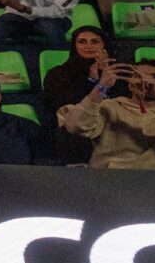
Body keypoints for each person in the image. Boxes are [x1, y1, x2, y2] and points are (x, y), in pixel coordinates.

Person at [57, 59, 155, 170]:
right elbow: (75, 126)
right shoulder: (109, 106)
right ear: (130, 84)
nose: (146, 81)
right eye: (138, 76)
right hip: (111, 181)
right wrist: (101, 86)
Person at [41, 26, 112, 165]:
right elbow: (60, 104)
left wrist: (106, 76)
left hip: (112, 121)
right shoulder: (57, 73)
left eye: (95, 41)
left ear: (104, 45)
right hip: (75, 125)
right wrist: (92, 81)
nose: (88, 46)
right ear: (74, 45)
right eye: (82, 42)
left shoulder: (117, 71)